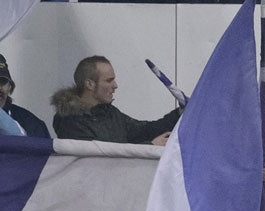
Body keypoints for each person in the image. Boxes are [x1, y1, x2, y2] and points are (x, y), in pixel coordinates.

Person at [51, 56, 180, 146]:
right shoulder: (70, 122)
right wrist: (150, 146)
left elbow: (143, 130)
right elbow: (98, 159)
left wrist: (179, 114)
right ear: (90, 84)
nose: (115, 85)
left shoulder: (110, 113)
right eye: (109, 80)